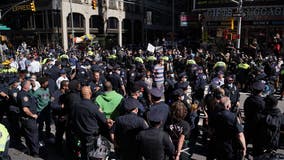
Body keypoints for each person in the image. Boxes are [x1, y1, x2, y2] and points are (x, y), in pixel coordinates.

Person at [72, 86, 113, 160]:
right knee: (92, 155)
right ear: (90, 94)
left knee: (83, 153)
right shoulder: (93, 107)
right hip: (91, 136)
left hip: (80, 134)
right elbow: (103, 120)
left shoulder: (75, 106)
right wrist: (102, 112)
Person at [17, 80, 39, 157]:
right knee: (34, 136)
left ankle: (31, 151)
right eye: (29, 84)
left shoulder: (25, 93)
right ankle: (35, 153)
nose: (30, 86)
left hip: (26, 119)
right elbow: (25, 109)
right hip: (29, 119)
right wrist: (33, 115)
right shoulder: (24, 95)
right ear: (25, 86)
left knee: (28, 135)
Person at [243, 81, 265, 156]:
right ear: (261, 91)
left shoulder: (248, 99)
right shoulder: (262, 102)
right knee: (257, 144)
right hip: (258, 125)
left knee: (245, 141)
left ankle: (243, 153)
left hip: (248, 123)